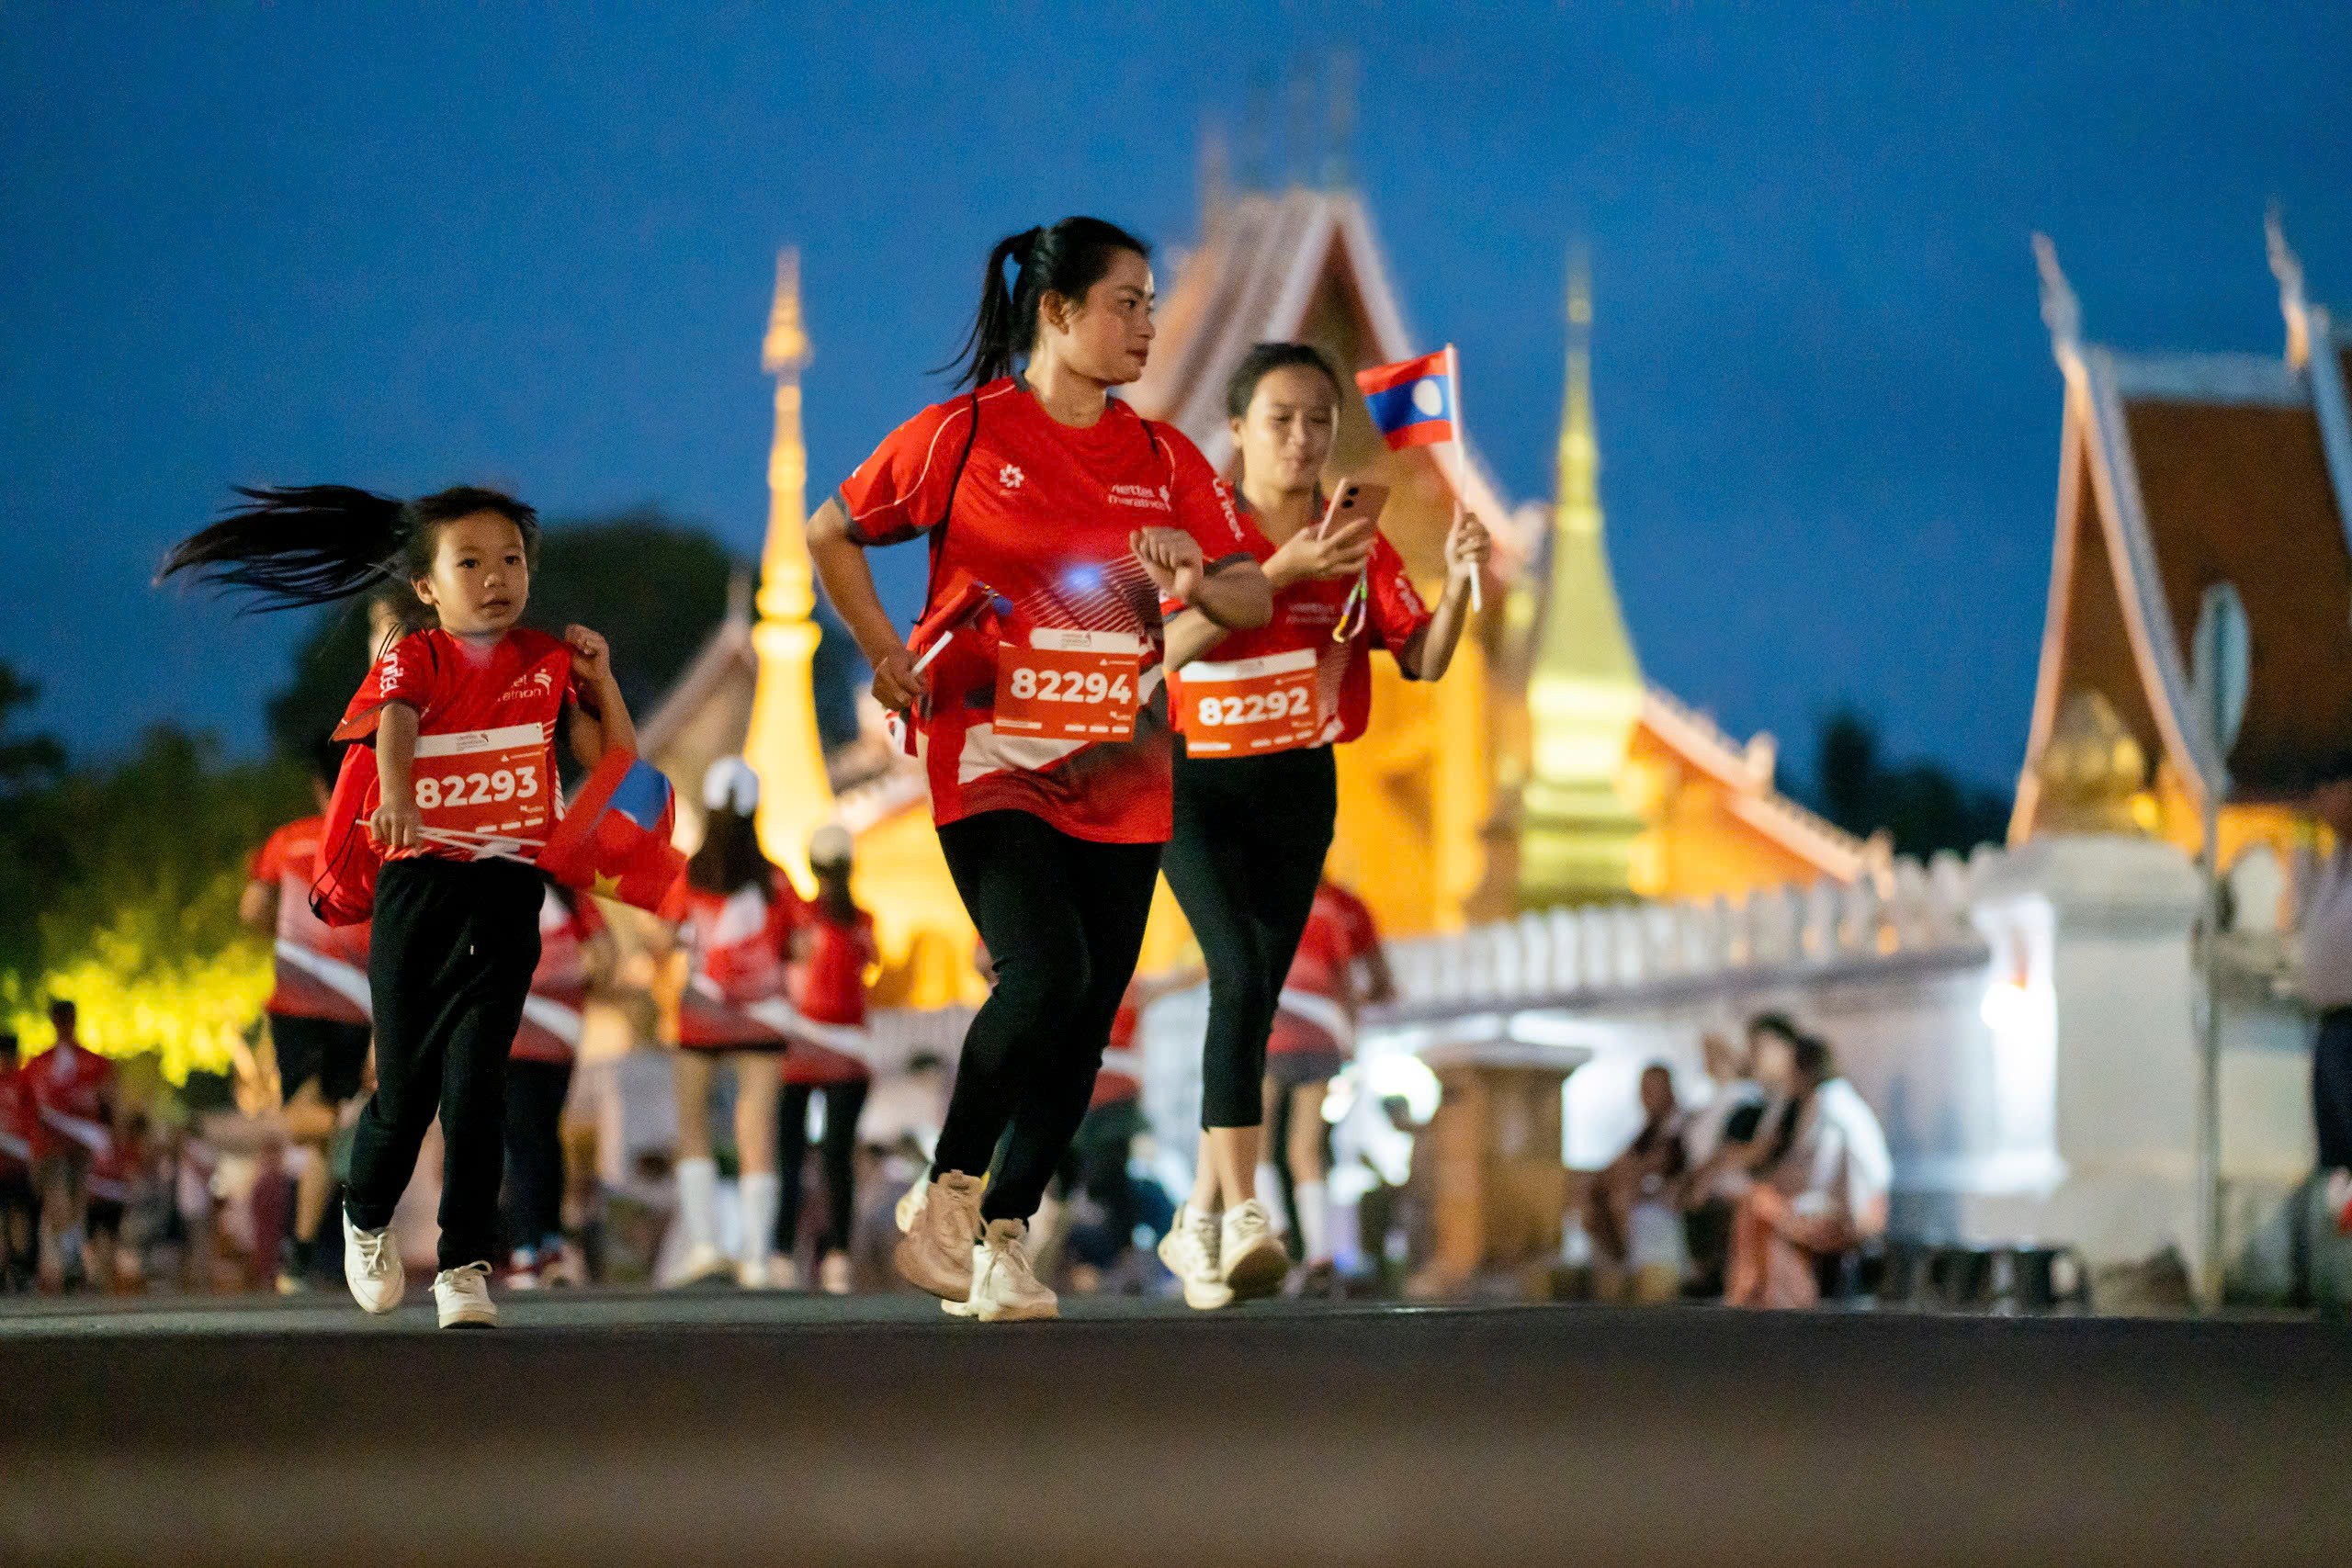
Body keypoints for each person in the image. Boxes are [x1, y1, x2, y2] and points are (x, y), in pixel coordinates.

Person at [809, 215, 1271, 1323]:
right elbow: (833, 532)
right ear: (1057, 314)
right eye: (1128, 302)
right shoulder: (960, 436)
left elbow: (1252, 595)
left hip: (1123, 769)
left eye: (1154, 304)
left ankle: (1003, 1242)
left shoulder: (1165, 457)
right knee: (1045, 974)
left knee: (1089, 1014)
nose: (1148, 325)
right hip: (991, 755)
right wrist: (883, 651)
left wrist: (1196, 571)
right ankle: (947, 1193)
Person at [161, 482, 637, 1327]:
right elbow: (397, 725)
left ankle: (464, 1268)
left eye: (511, 560)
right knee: (407, 1090)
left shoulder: (549, 661)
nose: (496, 577)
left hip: (506, 889)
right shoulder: (415, 657)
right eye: (470, 563)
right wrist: (400, 796)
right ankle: (365, 1211)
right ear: (428, 587)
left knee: (478, 1085)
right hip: (421, 890)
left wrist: (603, 685)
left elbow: (612, 760)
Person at [1153, 342, 1488, 1311]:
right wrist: (1277, 567)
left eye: (1317, 421)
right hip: (1196, 783)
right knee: (1241, 974)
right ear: (1238, 430)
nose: (1300, 439)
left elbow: (1421, 658)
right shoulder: (1191, 528)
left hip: (1298, 785)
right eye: (1279, 419)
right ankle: (1246, 1213)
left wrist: (1460, 577)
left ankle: (1200, 1223)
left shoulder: (1360, 540)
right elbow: (1152, 652)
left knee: (1254, 1005)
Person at [241, 738, 375, 1293]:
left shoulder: (286, 841)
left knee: (305, 1123)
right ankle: (298, 1254)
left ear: (319, 786)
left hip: (298, 1000)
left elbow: (251, 913)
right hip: (355, 1002)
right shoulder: (375, 840)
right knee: (320, 1132)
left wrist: (285, 922)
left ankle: (345, 1135)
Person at [668, 758, 795, 1289]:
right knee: (757, 1130)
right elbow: (799, 939)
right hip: (764, 1018)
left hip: (700, 1011)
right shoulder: (773, 880)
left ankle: (704, 1248)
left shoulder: (688, 874)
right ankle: (758, 1259)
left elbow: (665, 935)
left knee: (693, 1124)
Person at [772, 824, 878, 1294]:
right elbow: (872, 967)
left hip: (798, 1049)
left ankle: (779, 1253)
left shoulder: (799, 913)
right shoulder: (863, 920)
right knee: (837, 1158)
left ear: (812, 867)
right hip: (848, 1053)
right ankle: (837, 1256)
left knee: (789, 1157)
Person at [1727, 1032, 1893, 1309]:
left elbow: (1820, 1181)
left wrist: (1787, 1209)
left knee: (1760, 1208)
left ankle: (1772, 1305)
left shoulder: (1829, 1106)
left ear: (1802, 1069)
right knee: (1760, 1206)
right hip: (1848, 1211)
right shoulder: (1834, 1101)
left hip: (1854, 1219)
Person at [504, 879, 606, 1288]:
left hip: (528, 1034)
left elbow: (605, 956)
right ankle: (548, 1244)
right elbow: (606, 956)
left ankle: (530, 1250)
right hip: (548, 1035)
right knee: (542, 1136)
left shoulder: (512, 887)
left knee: (527, 1137)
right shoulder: (568, 895)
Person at [2298, 764, 2352, 1232]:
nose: (2322, 799)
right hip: (2331, 1026)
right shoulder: (2335, 863)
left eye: (2331, 786)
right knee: (2336, 1155)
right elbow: (2301, 917)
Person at [1675, 1031, 1769, 1297]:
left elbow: (1733, 1145)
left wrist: (1704, 1178)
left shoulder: (1745, 1096)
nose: (1706, 1061)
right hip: (1708, 1185)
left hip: (1730, 1186)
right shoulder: (1714, 1097)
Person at [1587, 1063, 1689, 1298]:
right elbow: (1623, 1160)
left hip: (1669, 1193)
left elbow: (1661, 1163)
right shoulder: (1648, 1129)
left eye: (1652, 1089)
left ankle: (1630, 1272)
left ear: (1669, 1091)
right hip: (1645, 1189)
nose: (1645, 1097)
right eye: (1643, 1090)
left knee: (1622, 1196)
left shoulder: (1679, 1124)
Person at [0, 1033, 38, 1289]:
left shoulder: (23, 1083)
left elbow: (33, 1120)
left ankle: (19, 1263)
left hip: (18, 1163)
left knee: (20, 1215)